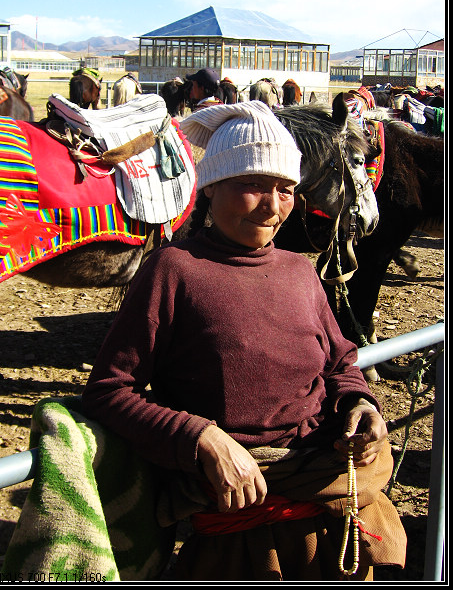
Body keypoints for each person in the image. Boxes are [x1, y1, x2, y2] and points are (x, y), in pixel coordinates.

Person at [82, 103, 406, 581]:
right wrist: (202, 437)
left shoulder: (299, 269)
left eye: (286, 189)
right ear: (212, 187)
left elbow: (339, 364)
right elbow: (109, 391)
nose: (272, 206)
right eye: (252, 185)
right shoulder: (174, 270)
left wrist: (361, 404)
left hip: (333, 498)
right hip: (236, 519)